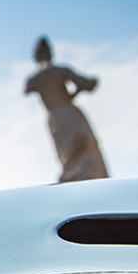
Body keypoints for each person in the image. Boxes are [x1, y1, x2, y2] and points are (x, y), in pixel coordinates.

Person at [24, 36, 109, 182]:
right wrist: (76, 92)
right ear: (50, 53)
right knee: (86, 153)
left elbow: (27, 90)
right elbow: (89, 84)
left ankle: (79, 184)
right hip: (70, 115)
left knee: (70, 156)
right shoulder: (60, 71)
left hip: (56, 120)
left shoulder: (34, 80)